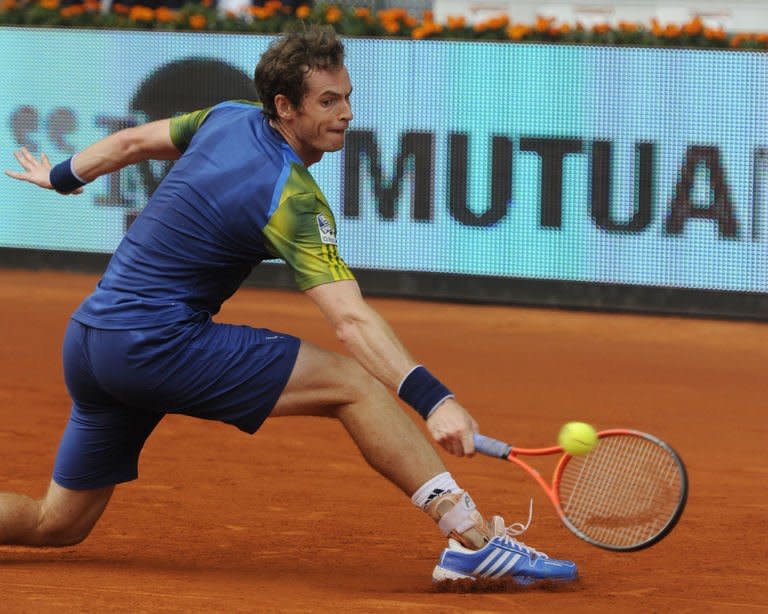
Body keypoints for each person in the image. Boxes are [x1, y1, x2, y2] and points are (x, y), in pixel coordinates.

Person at [2, 26, 577, 584]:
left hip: (89, 341)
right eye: (328, 101)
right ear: (285, 107)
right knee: (353, 383)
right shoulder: (293, 198)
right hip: (155, 344)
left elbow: (129, 144)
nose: (347, 113)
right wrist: (434, 402)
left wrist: (60, 175)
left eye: (348, 97)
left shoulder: (225, 117)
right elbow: (350, 320)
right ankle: (472, 537)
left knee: (58, 523)